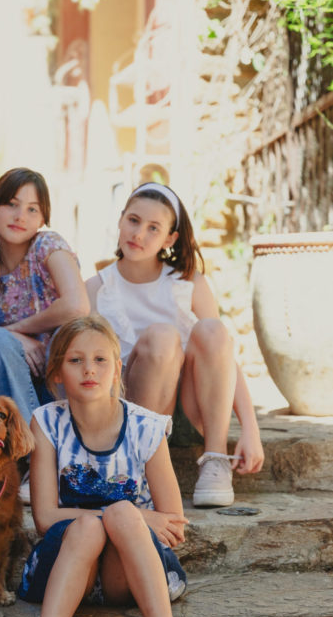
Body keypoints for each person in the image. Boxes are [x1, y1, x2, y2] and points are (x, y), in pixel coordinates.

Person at [16, 315, 191, 617]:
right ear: (57, 372)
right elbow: (44, 518)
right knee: (97, 522)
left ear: (117, 369)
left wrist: (131, 517)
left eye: (100, 359)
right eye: (75, 360)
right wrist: (118, 515)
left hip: (124, 570)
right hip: (69, 561)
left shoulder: (147, 428)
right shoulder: (46, 423)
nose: (89, 369)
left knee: (123, 515)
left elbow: (174, 521)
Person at [85, 182, 264, 508]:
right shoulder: (96, 289)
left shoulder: (189, 283)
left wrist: (250, 430)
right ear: (121, 219)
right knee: (163, 337)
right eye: (134, 221)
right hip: (133, 410)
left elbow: (224, 357)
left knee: (211, 329)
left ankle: (215, 460)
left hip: (193, 410)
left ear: (170, 239)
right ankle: (139, 467)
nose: (139, 234)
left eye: (154, 228)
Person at [0, 168, 90, 427]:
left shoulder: (47, 246)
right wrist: (12, 339)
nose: (20, 216)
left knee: (72, 337)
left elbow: (77, 305)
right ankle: (35, 448)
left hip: (59, 381)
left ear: (42, 219)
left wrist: (16, 331)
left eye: (32, 210)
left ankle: (73, 440)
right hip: (7, 387)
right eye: (12, 204)